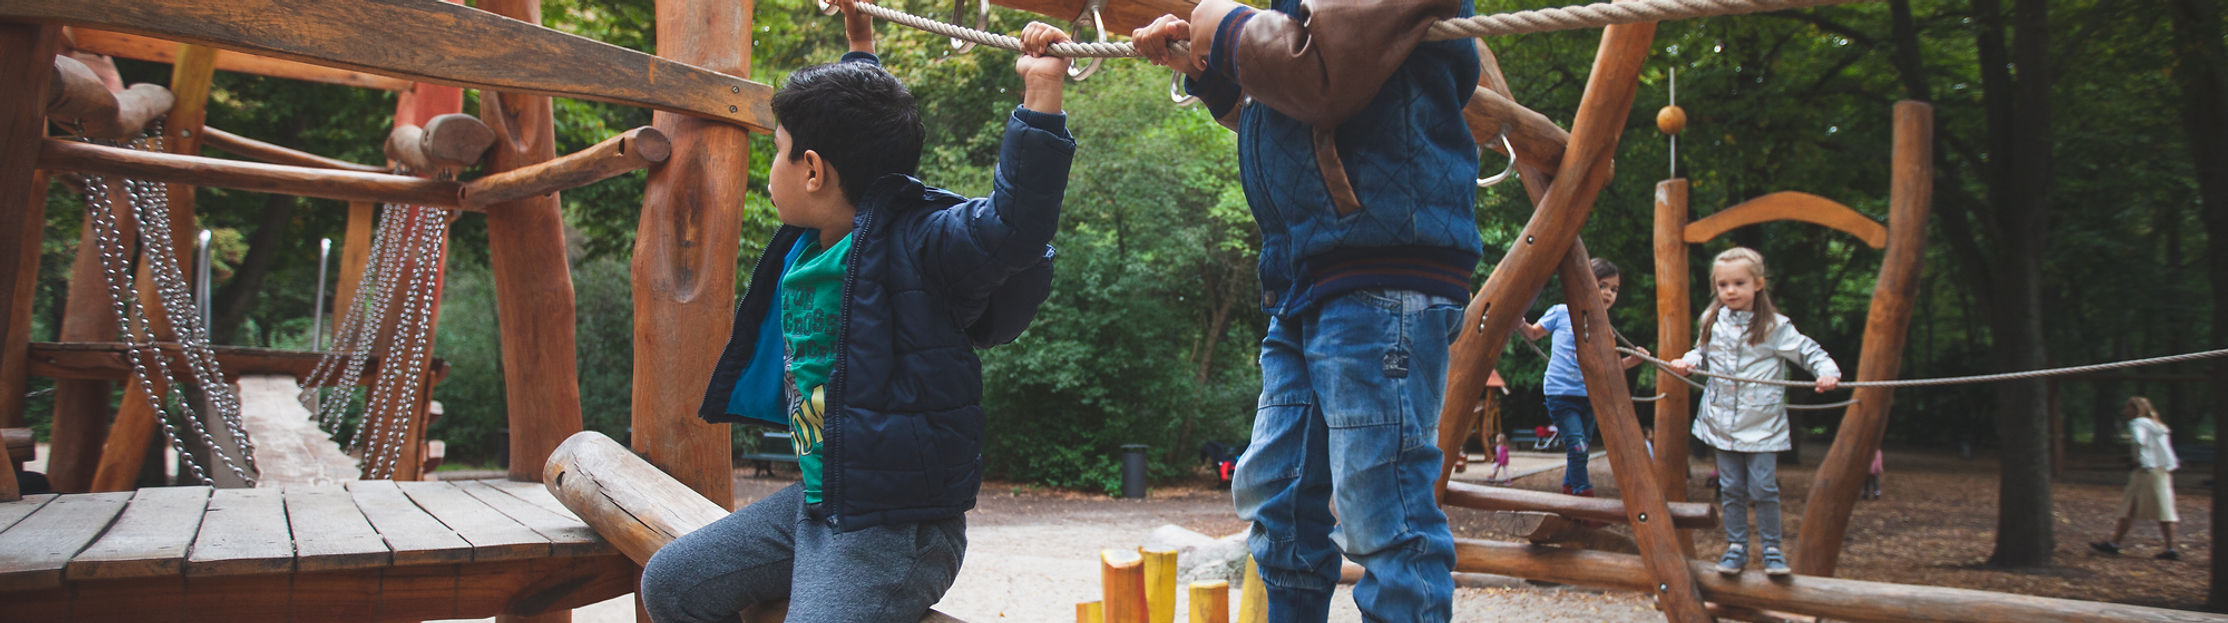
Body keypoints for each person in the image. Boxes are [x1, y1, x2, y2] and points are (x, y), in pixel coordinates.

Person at [637, 4, 1077, 621]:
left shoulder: (922, 244)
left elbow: (1015, 226)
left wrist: (1042, 93)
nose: (771, 169)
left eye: (778, 151)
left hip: (898, 527)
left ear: (813, 171)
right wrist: (859, 35)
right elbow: (858, 117)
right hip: (822, 503)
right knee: (672, 583)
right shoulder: (812, 238)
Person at [1130, 0, 1483, 618]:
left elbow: (1322, 80)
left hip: (1381, 269)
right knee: (1280, 499)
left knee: (1384, 511)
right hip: (1306, 275)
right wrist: (1212, 71)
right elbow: (1292, 112)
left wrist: (1224, 24)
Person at [1667, 247, 1840, 578]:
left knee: (1763, 487)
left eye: (1739, 283)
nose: (1730, 291)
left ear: (1758, 284)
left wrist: (1827, 372)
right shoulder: (1712, 320)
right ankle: (1736, 547)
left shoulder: (1774, 326)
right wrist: (1689, 361)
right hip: (1721, 422)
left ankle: (1772, 550)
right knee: (1730, 487)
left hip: (1761, 424)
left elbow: (1809, 352)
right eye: (1723, 285)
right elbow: (1702, 352)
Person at [1516, 258, 1649, 497]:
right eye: (1602, 285)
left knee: (1582, 447)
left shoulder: (1604, 328)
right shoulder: (1561, 312)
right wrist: (1520, 322)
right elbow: (1534, 334)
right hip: (1561, 393)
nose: (1608, 293)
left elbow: (1608, 368)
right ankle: (1583, 493)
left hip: (1589, 395)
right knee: (1577, 446)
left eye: (1614, 289)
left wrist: (1633, 360)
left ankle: (1570, 490)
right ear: (1583, 283)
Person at [2091, 396, 2182, 560]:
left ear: (2136, 409)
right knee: (2142, 506)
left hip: (2146, 471)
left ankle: (2169, 548)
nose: (2125, 411)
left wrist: (2141, 461)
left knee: (2154, 509)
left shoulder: (2138, 423)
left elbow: (2141, 442)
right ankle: (2115, 543)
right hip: (2160, 471)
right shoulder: (2158, 425)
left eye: (2128, 408)